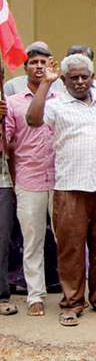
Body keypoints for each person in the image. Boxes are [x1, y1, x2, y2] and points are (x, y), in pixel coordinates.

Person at [27, 54, 96, 326]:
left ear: (92, 77)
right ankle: (72, 303)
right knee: (71, 250)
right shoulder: (56, 105)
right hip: (70, 189)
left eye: (85, 76)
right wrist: (45, 85)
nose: (81, 81)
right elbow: (32, 119)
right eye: (74, 77)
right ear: (64, 80)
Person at [5, 43, 59, 317]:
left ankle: (73, 295)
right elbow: (7, 145)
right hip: (29, 178)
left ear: (51, 66)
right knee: (33, 240)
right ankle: (35, 296)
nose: (39, 66)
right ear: (25, 67)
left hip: (61, 180)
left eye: (44, 62)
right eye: (34, 62)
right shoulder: (13, 103)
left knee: (67, 240)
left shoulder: (62, 99)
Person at [0, 95, 13, 316]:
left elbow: (9, 146)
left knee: (2, 239)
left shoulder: (6, 104)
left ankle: (1, 295)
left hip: (2, 181)